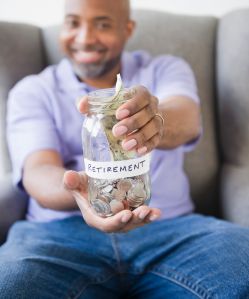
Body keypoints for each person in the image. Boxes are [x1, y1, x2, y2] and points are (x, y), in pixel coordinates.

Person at [1, 0, 249, 298]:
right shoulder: (33, 90)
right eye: (73, 22)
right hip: (57, 236)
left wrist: (153, 120)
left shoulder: (165, 68)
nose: (85, 37)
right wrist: (83, 191)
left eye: (103, 24)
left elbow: (188, 119)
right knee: (11, 287)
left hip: (173, 231)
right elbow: (37, 170)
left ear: (127, 28)